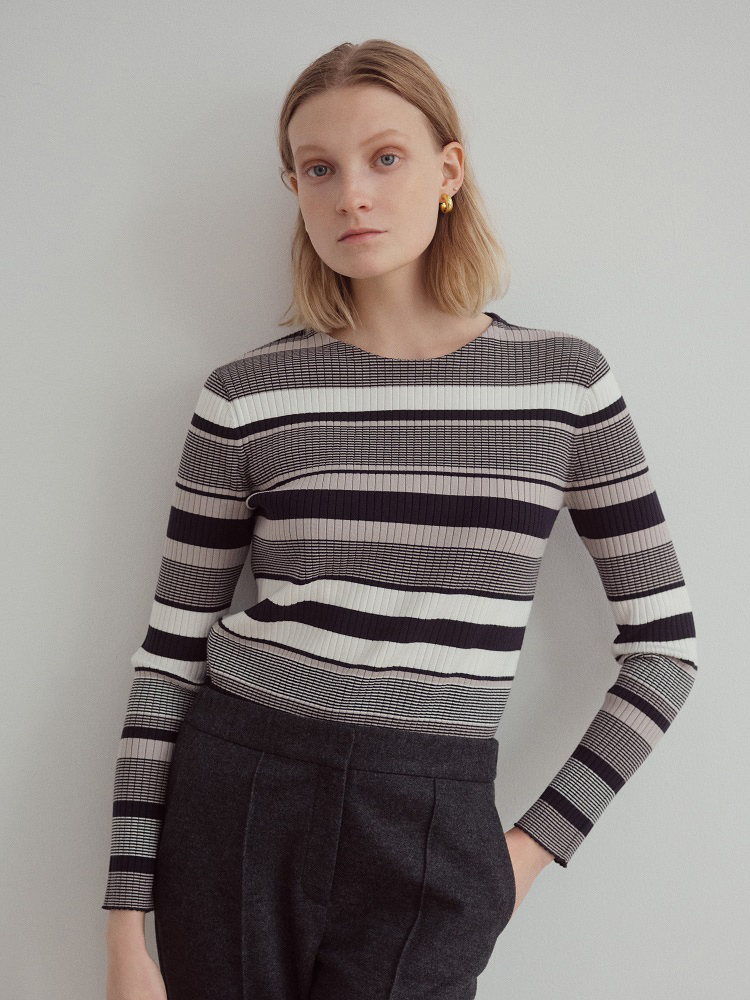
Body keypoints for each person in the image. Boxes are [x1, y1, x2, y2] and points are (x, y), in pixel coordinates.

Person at [103, 38, 698, 1000]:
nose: (353, 196)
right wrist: (125, 934)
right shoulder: (247, 395)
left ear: (449, 170)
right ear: (295, 190)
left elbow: (666, 651)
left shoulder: (564, 384)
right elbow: (169, 655)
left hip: (435, 818)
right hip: (240, 796)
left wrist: (524, 855)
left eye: (385, 158)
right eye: (319, 169)